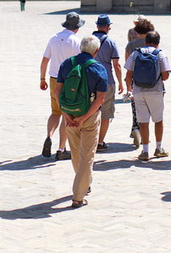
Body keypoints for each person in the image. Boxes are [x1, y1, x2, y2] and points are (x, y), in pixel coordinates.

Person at [57, 34, 109, 209]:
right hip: (90, 117)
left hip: (69, 115)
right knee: (87, 157)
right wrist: (83, 118)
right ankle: (78, 196)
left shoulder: (66, 64)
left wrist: (67, 115)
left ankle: (84, 183)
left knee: (76, 154)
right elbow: (100, 99)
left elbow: (57, 92)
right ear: (96, 51)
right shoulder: (99, 69)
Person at [39, 12, 86, 161]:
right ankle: (61, 149)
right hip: (69, 81)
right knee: (68, 114)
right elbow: (81, 63)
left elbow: (45, 60)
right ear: (77, 27)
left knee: (55, 112)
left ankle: (48, 136)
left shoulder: (53, 38)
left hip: (53, 78)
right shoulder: (76, 41)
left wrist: (42, 78)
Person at [124, 30, 171, 161]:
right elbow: (166, 76)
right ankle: (158, 148)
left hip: (138, 91)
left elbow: (128, 73)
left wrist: (129, 89)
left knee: (143, 122)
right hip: (156, 91)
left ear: (145, 41)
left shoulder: (136, 53)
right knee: (158, 120)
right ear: (158, 42)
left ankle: (145, 151)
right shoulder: (160, 54)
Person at [91, 15, 123, 150]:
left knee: (90, 111)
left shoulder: (88, 40)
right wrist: (121, 83)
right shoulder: (110, 42)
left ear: (97, 26)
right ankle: (99, 142)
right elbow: (116, 65)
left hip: (89, 80)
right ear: (108, 27)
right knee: (106, 113)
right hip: (106, 81)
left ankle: (89, 139)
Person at [125, 17, 154, 148]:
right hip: (152, 81)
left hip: (135, 80)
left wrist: (127, 86)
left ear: (137, 32)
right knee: (148, 109)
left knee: (135, 108)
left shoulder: (131, 45)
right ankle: (145, 134)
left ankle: (136, 129)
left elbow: (127, 66)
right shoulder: (153, 44)